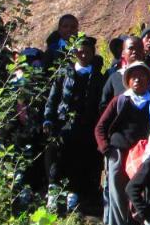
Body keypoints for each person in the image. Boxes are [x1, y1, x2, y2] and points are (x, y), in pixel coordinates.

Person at [42, 35, 107, 215]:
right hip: (63, 125)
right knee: (58, 161)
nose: (83, 55)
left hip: (86, 128)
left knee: (79, 162)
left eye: (87, 52)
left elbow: (100, 104)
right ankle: (53, 197)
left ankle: (73, 197)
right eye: (80, 51)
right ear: (74, 53)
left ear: (93, 53)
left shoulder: (98, 78)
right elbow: (53, 99)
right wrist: (48, 119)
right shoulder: (64, 74)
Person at [94, 61, 150, 225]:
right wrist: (106, 149)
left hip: (142, 154)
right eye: (134, 76)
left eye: (142, 76)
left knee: (140, 193)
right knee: (117, 194)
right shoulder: (120, 100)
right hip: (119, 152)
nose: (138, 79)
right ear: (128, 80)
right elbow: (100, 127)